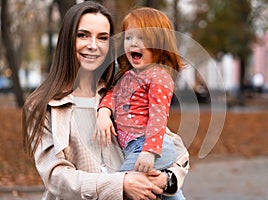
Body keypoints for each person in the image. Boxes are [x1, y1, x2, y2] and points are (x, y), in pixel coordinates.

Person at [22, 2, 189, 200]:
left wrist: (167, 180)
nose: (93, 45)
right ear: (67, 40)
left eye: (102, 38)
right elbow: (56, 177)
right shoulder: (43, 105)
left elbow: (173, 146)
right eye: (83, 35)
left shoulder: (122, 91)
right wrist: (121, 184)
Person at [95, 7, 186, 199]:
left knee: (122, 184)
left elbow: (158, 117)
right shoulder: (127, 76)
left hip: (148, 146)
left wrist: (149, 151)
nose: (133, 43)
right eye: (128, 38)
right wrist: (103, 112)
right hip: (134, 147)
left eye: (142, 38)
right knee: (157, 188)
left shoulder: (158, 76)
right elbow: (112, 94)